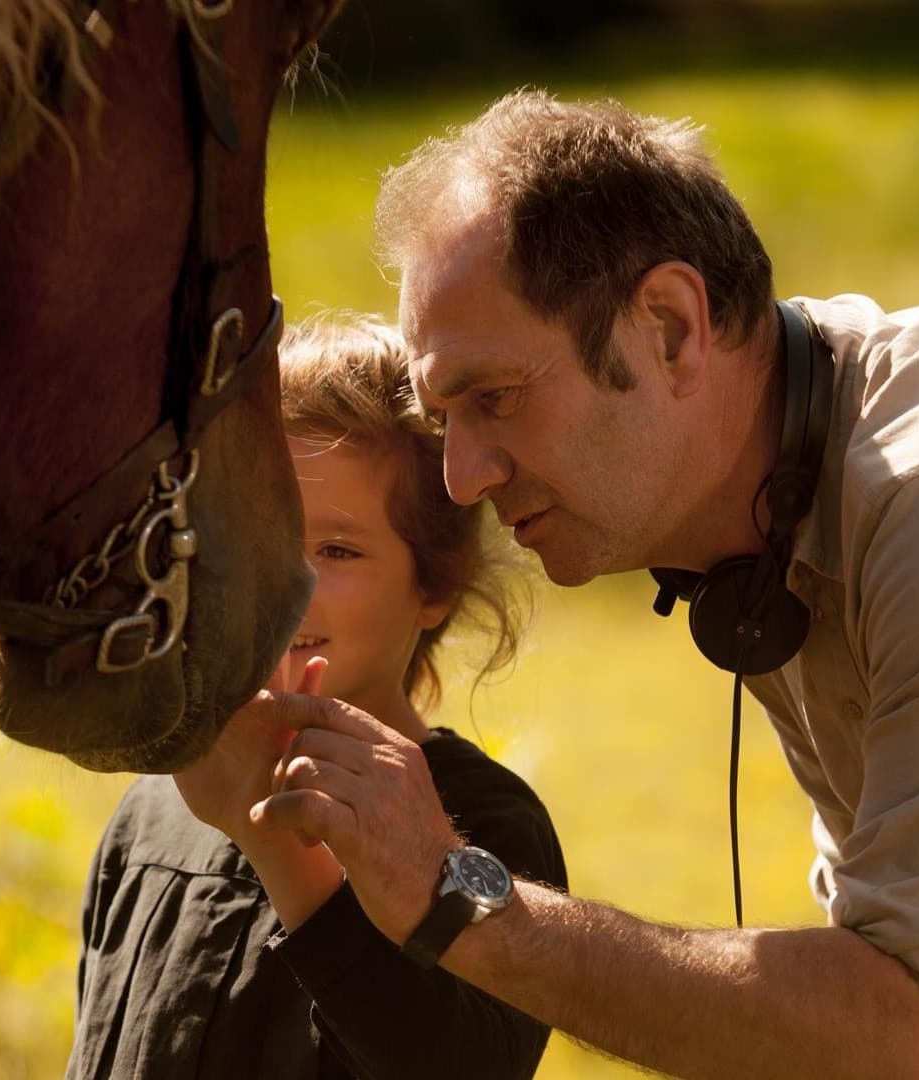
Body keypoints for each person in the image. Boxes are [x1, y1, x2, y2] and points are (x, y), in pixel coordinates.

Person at [243, 90, 919, 1080]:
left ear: (669, 326)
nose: (463, 475)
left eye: (495, 398)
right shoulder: (775, 516)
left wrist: (457, 900)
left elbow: (912, 1024)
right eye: (444, 419)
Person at [68, 316, 567, 1079]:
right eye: (252, 533)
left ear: (434, 584)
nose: (280, 584)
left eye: (336, 550)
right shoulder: (153, 811)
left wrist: (278, 846)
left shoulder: (487, 826)